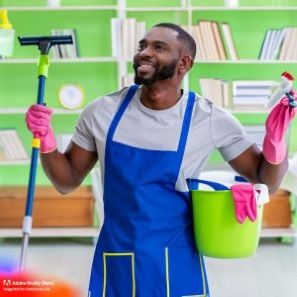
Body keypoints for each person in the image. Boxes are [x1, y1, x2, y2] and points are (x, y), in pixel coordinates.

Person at [26, 23, 292, 296]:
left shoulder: (209, 119)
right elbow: (66, 180)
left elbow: (265, 181)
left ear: (184, 63)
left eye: (159, 47)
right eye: (142, 46)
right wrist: (46, 141)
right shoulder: (102, 112)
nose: (145, 53)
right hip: (117, 258)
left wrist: (276, 139)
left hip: (176, 260)